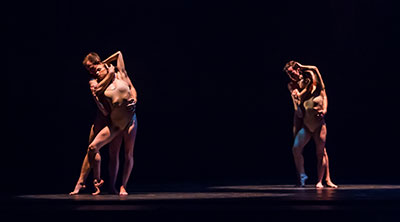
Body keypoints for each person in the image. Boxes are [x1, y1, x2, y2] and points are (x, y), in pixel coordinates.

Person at [70, 51, 138, 195]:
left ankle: (121, 186)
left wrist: (134, 99)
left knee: (126, 154)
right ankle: (87, 181)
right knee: (93, 148)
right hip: (112, 122)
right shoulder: (97, 82)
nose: (93, 71)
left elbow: (119, 54)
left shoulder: (120, 75)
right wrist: (109, 73)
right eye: (89, 70)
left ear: (100, 64)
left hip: (129, 120)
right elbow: (103, 106)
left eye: (94, 67)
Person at [284, 60, 337, 188]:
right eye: (289, 74)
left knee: (321, 152)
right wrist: (295, 98)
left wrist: (324, 109)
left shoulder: (313, 80)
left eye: (292, 72)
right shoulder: (293, 85)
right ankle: (301, 177)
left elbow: (323, 94)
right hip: (306, 123)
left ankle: (324, 180)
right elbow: (298, 111)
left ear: (298, 70)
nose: (292, 76)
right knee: (296, 148)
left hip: (318, 123)